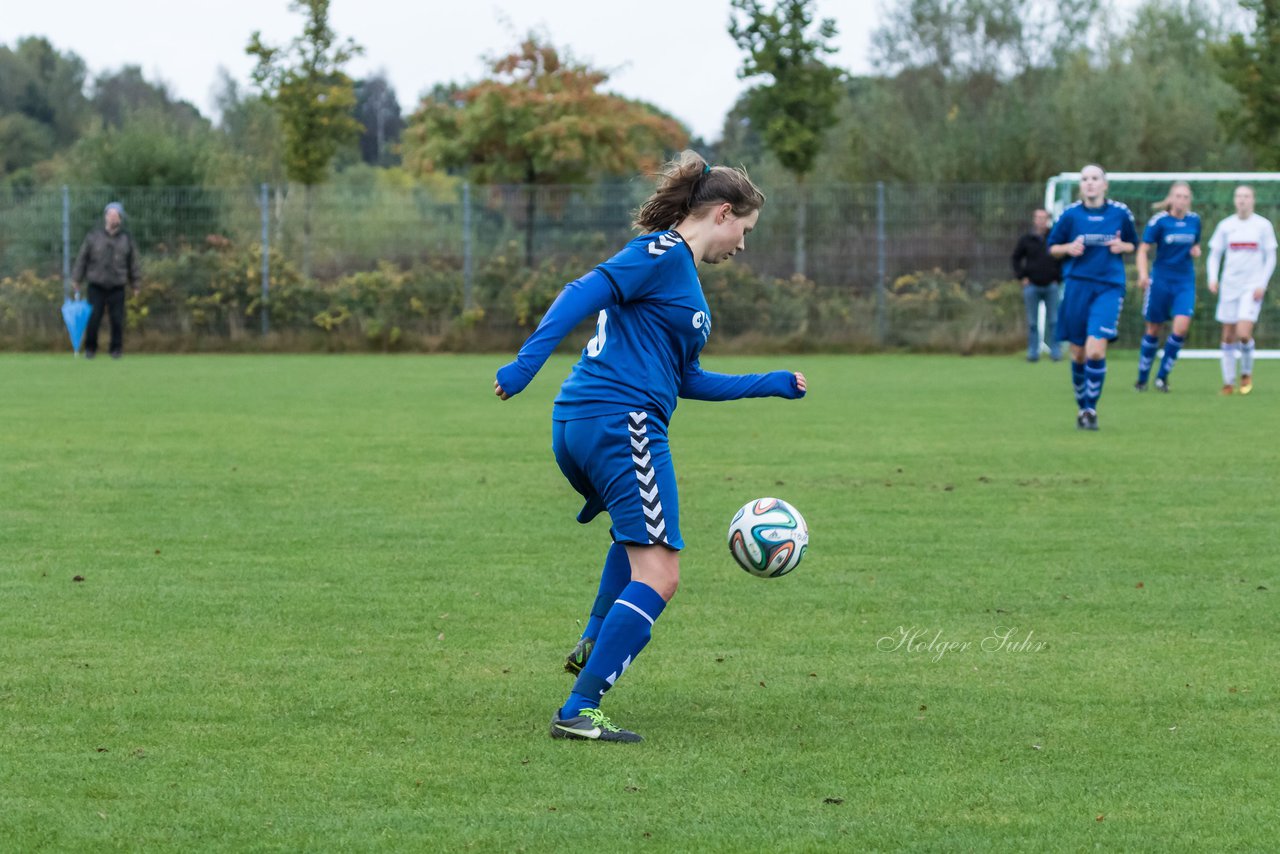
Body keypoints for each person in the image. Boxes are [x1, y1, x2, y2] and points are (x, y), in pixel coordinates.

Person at [493, 151, 806, 743]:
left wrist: (770, 383)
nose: (742, 245)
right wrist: (524, 364)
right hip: (622, 422)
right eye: (744, 230)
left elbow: (686, 379)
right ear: (722, 213)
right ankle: (579, 710)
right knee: (661, 573)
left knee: (635, 540)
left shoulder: (679, 277)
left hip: (591, 421)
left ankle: (594, 638)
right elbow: (582, 291)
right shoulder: (662, 255)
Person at [1047, 164, 1137, 431]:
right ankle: (1082, 405)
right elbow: (1052, 248)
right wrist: (1067, 248)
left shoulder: (1120, 213)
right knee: (1078, 354)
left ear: (1105, 184)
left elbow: (1133, 243)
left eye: (1095, 178)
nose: (1090, 183)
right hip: (1076, 286)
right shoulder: (1071, 215)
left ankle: (1090, 409)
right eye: (1085, 179)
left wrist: (1123, 246)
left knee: (1096, 349)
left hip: (1109, 286)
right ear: (1080, 186)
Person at [1206, 185, 1276, 395]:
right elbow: (1215, 254)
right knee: (1228, 336)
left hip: (1251, 287)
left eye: (1246, 196)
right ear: (1235, 200)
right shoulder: (1226, 226)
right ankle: (1228, 382)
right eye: (1239, 196)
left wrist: (1262, 284)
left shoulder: (1262, 226)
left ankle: (1246, 372)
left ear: (1253, 200)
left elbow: (1271, 256)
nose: (1242, 200)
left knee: (1243, 333)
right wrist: (1212, 277)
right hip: (1229, 286)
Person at [1134, 182, 1201, 392]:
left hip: (1184, 282)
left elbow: (1195, 243)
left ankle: (1162, 377)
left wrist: (1195, 250)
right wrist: (1144, 275)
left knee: (1181, 327)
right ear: (1171, 199)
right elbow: (1143, 250)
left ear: (1189, 200)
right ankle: (1142, 377)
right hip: (1161, 281)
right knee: (1154, 328)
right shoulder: (1159, 222)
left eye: (1185, 197)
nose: (1181, 200)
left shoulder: (1194, 220)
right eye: (1178, 196)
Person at [71, 201, 141, 359]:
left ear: (120, 219)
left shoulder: (126, 239)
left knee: (117, 320)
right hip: (96, 285)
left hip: (117, 285)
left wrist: (136, 283)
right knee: (93, 319)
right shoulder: (93, 237)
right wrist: (77, 278)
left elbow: (133, 263)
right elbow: (82, 258)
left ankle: (116, 350)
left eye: (116, 215)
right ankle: (90, 349)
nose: (113, 218)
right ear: (105, 217)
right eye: (110, 215)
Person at [1010, 208, 1064, 362]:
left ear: (1048, 219)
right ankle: (1033, 353)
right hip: (1031, 286)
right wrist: (1022, 277)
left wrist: (1058, 278)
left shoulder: (1055, 237)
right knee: (1032, 322)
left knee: (1054, 320)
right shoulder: (1026, 239)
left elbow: (1062, 259)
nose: (1041, 220)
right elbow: (1015, 258)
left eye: (1044, 217)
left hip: (1051, 285)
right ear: (1034, 220)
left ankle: (1056, 352)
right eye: (1038, 217)